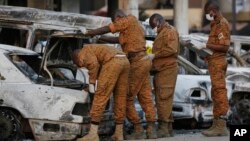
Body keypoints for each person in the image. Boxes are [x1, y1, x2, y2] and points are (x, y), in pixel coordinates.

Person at [85, 9, 157, 139]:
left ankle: (138, 128)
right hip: (143, 61)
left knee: (126, 97)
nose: (116, 25)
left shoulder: (129, 20)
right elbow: (116, 40)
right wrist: (99, 37)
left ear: (118, 18)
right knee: (145, 95)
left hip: (137, 62)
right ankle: (151, 129)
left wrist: (90, 33)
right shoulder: (130, 27)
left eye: (116, 22)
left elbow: (109, 28)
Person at [73, 44, 130, 141]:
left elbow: (93, 65)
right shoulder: (95, 49)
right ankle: (118, 134)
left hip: (113, 62)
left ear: (77, 58)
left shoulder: (84, 52)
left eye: (79, 64)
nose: (82, 66)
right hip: (124, 61)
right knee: (120, 97)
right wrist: (93, 83)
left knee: (100, 96)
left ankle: (93, 135)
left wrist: (91, 83)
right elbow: (100, 69)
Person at [202, 0, 230, 137]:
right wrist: (204, 52)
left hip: (218, 62)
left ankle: (221, 125)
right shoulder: (215, 24)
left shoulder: (222, 24)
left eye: (208, 13)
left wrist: (207, 46)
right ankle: (216, 123)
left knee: (219, 92)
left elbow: (225, 47)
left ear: (212, 11)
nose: (207, 15)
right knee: (215, 92)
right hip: (214, 61)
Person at [148, 13, 179, 138]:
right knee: (165, 99)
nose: (153, 28)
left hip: (167, 69)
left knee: (163, 99)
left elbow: (172, 49)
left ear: (158, 21)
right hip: (162, 69)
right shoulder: (163, 32)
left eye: (153, 26)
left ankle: (163, 128)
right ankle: (168, 127)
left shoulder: (169, 31)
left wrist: (155, 55)